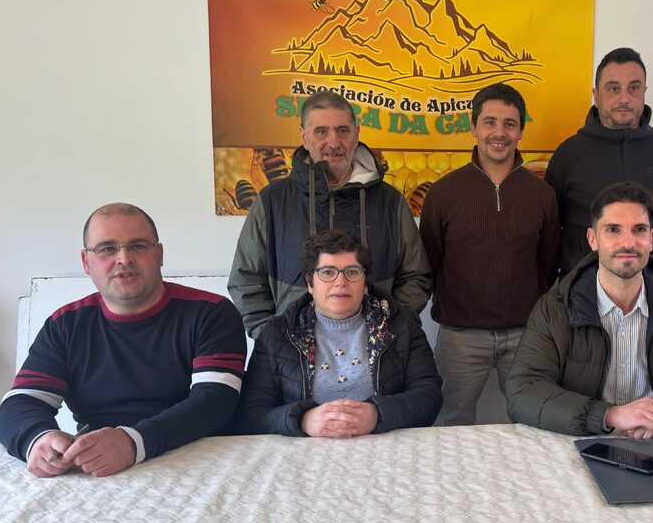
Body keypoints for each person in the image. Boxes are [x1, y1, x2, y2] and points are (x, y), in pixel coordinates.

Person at [0, 203, 246, 477]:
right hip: (98, 469)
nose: (124, 258)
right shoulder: (65, 324)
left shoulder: (212, 313)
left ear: (159, 254)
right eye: (107, 248)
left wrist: (133, 442)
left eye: (138, 246)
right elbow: (20, 402)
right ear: (86, 262)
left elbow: (215, 402)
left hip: (203, 465)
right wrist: (38, 439)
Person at [506, 182, 653, 437]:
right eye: (613, 230)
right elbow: (523, 391)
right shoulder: (555, 308)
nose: (628, 242)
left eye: (639, 230)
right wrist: (610, 416)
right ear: (592, 239)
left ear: (651, 239)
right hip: (584, 440)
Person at [229, 90, 431, 338]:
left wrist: (391, 330)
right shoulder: (272, 201)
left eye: (343, 130)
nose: (334, 143)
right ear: (304, 137)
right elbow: (246, 280)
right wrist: (271, 338)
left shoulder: (390, 202)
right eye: (321, 131)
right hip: (293, 353)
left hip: (376, 351)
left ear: (357, 134)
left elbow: (416, 276)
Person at [419, 83, 558, 425]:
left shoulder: (542, 195)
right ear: (474, 127)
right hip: (460, 337)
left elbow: (548, 263)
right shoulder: (443, 193)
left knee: (533, 422)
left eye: (509, 124)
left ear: (521, 131)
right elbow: (429, 261)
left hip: (526, 334)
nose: (499, 133)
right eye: (490, 122)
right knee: (450, 423)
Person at [235, 230, 441, 437]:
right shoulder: (278, 333)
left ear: (365, 283)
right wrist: (302, 420)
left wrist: (378, 415)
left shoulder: (401, 325)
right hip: (304, 448)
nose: (341, 282)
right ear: (309, 283)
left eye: (352, 272)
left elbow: (429, 397)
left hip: (384, 445)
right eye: (327, 272)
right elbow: (252, 413)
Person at [545, 47, 653, 274]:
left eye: (634, 88)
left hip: (652, 289)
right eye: (613, 88)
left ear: (644, 91)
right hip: (581, 289)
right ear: (596, 95)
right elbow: (550, 231)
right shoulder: (568, 154)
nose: (624, 98)